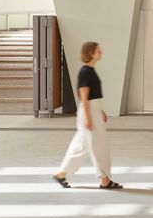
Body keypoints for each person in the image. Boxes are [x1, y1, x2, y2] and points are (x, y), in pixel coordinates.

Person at [52, 41, 122, 190]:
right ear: (91, 53)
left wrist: (100, 112)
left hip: (92, 111)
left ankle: (61, 174)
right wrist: (90, 118)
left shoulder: (90, 70)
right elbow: (84, 96)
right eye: (98, 50)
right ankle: (105, 180)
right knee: (98, 146)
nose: (101, 52)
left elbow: (92, 96)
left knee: (80, 147)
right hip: (88, 113)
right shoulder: (85, 71)